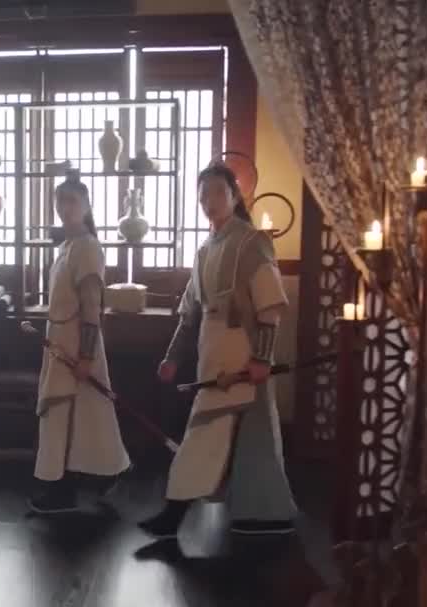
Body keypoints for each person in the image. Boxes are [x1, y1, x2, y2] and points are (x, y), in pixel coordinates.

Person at [140, 162, 297, 538]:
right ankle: (257, 513)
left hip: (242, 356)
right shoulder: (204, 250)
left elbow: (269, 308)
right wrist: (172, 357)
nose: (208, 201)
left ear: (234, 195)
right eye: (202, 195)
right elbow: (190, 313)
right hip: (212, 354)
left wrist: (261, 358)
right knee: (238, 436)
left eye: (216, 192)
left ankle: (178, 513)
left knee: (218, 433)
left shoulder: (252, 242)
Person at [29, 170, 132, 514]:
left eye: (72, 200)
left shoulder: (87, 247)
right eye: (60, 200)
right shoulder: (66, 246)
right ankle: (97, 475)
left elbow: (91, 306)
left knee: (74, 415)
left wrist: (86, 355)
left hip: (78, 343)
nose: (64, 207)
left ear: (87, 205)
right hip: (59, 341)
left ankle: (66, 488)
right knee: (76, 416)